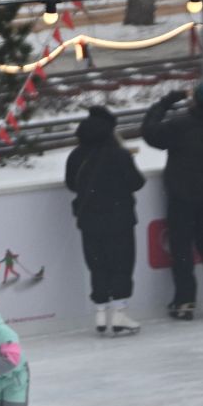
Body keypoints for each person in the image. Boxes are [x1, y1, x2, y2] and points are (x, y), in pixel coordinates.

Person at [140, 81, 203, 320]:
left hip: (182, 195)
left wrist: (169, 99)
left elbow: (149, 131)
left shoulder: (181, 126)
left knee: (181, 248)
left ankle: (185, 300)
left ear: (194, 101)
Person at [64, 106, 145, 334]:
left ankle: (100, 313)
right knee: (122, 264)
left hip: (89, 219)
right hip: (120, 217)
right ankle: (119, 313)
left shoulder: (76, 155)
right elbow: (137, 182)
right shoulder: (119, 155)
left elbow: (71, 184)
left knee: (97, 264)